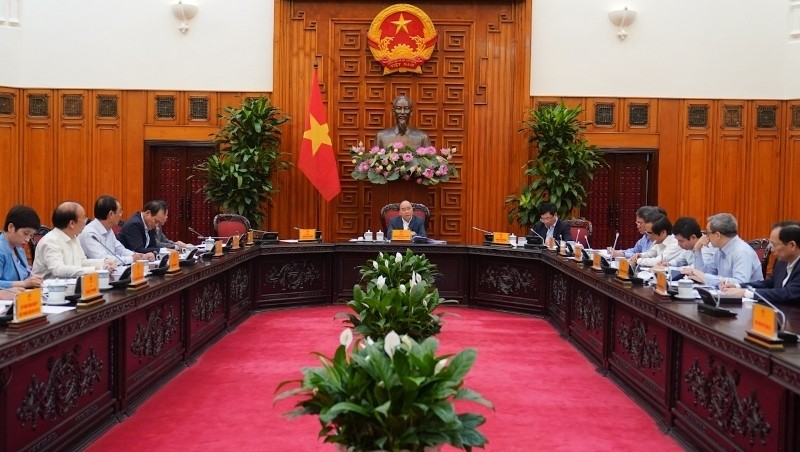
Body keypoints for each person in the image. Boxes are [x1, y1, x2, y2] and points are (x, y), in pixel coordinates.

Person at [722, 222, 800, 304]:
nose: (772, 250)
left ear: (792, 245)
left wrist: (745, 293)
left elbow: (789, 293)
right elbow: (769, 283)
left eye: (774, 245)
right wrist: (738, 286)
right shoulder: (782, 262)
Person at [32, 202, 115, 279]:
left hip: (71, 286)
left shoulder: (74, 238)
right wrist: (94, 270)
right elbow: (58, 269)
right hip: (49, 291)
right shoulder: (51, 241)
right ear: (72, 223)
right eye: (84, 218)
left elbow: (82, 262)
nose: (86, 222)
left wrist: (103, 263)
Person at [681, 213, 762, 286]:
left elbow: (740, 283)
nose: (706, 236)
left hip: (748, 300)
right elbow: (702, 273)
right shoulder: (720, 250)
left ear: (718, 235)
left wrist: (704, 276)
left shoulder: (742, 252)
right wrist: (697, 249)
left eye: (708, 233)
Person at [79, 196, 153, 264]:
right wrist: (131, 259)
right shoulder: (90, 233)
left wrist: (141, 256)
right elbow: (104, 259)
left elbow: (120, 250)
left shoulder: (108, 230)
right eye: (120, 211)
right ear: (111, 214)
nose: (121, 215)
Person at [0, 205, 43, 289]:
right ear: (11, 227)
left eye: (31, 235)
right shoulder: (1, 249)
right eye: (25, 233)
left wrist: (33, 280)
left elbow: (25, 275)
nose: (27, 239)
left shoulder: (18, 247)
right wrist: (24, 284)